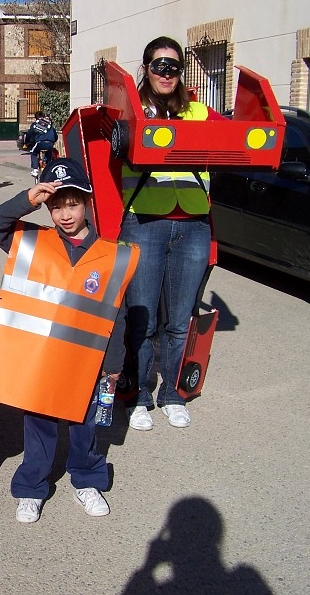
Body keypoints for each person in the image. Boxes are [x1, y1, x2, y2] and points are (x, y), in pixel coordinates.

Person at [0, 158, 139, 523]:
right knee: (39, 428)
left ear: (87, 203)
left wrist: (113, 366)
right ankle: (31, 487)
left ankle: (86, 480)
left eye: (72, 204)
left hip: (87, 362)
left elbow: (117, 315)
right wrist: (30, 198)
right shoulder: (33, 240)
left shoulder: (112, 255)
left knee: (85, 429)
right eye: (55, 206)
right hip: (41, 360)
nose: (65, 214)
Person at [120, 36, 225, 432]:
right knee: (142, 319)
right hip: (144, 220)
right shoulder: (131, 110)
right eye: (159, 65)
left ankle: (173, 394)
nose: (167, 73)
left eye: (174, 66)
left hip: (194, 223)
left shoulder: (199, 111)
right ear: (146, 67)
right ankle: (140, 394)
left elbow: (241, 139)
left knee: (180, 319)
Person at [25, 110, 57, 177]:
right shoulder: (49, 123)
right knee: (49, 153)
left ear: (36, 118)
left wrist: (26, 142)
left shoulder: (35, 124)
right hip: (50, 143)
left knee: (33, 152)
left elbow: (29, 134)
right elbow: (55, 135)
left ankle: (35, 170)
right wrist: (53, 141)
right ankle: (49, 168)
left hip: (40, 143)